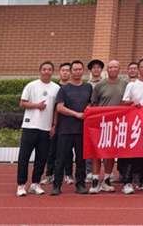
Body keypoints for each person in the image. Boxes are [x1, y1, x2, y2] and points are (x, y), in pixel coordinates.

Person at [16, 62, 59, 197]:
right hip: (30, 126)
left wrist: (54, 125)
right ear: (40, 71)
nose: (46, 72)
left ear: (52, 72)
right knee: (24, 156)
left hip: (46, 128)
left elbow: (56, 109)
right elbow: (22, 103)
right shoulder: (31, 86)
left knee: (41, 158)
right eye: (44, 69)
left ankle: (35, 183)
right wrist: (37, 106)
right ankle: (21, 184)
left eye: (49, 69)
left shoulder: (56, 88)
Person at [50, 61, 92, 196]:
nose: (77, 72)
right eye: (75, 70)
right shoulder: (64, 89)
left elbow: (92, 103)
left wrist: (88, 109)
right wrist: (76, 114)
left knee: (81, 160)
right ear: (71, 72)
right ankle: (56, 185)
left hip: (82, 130)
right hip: (65, 129)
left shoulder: (88, 87)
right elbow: (59, 108)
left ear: (83, 71)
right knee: (61, 159)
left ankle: (80, 185)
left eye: (80, 69)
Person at [88, 60, 127, 194]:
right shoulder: (100, 85)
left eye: (115, 67)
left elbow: (126, 102)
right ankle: (94, 180)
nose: (113, 69)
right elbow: (94, 105)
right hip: (100, 124)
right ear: (107, 69)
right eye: (110, 67)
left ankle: (106, 180)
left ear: (119, 69)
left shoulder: (125, 84)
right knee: (97, 153)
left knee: (110, 153)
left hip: (116, 124)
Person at [120, 58, 143, 194]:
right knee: (132, 153)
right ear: (138, 69)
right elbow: (123, 103)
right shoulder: (132, 85)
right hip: (134, 124)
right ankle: (127, 183)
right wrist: (132, 101)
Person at [42, 62, 72, 186]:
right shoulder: (54, 88)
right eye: (63, 70)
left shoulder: (73, 87)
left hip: (69, 123)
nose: (65, 72)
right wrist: (53, 124)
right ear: (59, 72)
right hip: (54, 124)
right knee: (52, 150)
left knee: (68, 151)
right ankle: (49, 174)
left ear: (70, 73)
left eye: (67, 70)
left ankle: (69, 174)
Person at [84, 59, 104, 183]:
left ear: (101, 70)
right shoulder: (87, 85)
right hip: (91, 119)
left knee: (105, 144)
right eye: (94, 68)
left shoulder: (106, 83)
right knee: (91, 144)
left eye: (98, 67)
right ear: (90, 71)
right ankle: (90, 172)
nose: (96, 70)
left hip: (105, 118)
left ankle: (108, 172)